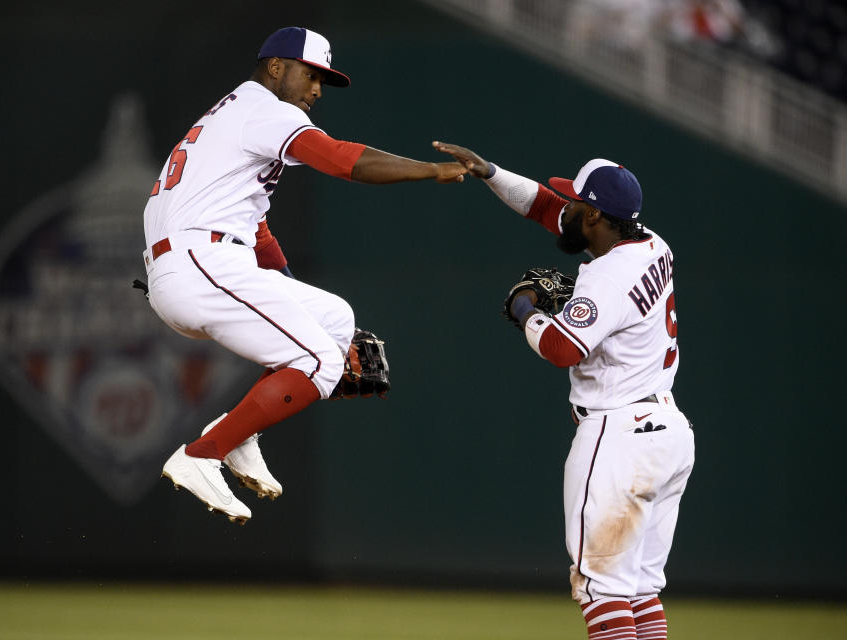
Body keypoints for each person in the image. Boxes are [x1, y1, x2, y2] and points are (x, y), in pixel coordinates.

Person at [142, 27, 467, 525]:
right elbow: (340, 159)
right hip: (200, 263)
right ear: (276, 67)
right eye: (311, 75)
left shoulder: (233, 115)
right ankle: (203, 454)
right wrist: (430, 170)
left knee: (335, 320)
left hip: (195, 262)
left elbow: (258, 231)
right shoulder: (268, 112)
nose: (317, 90)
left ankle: (239, 435)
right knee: (319, 362)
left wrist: (288, 291)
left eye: (323, 80)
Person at [434, 141, 694, 640]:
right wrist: (490, 172)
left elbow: (560, 348)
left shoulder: (608, 279)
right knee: (638, 591)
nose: (566, 205)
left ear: (595, 216)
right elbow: (547, 208)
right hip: (668, 435)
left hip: (620, 437)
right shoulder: (652, 244)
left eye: (576, 201)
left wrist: (525, 309)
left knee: (601, 593)